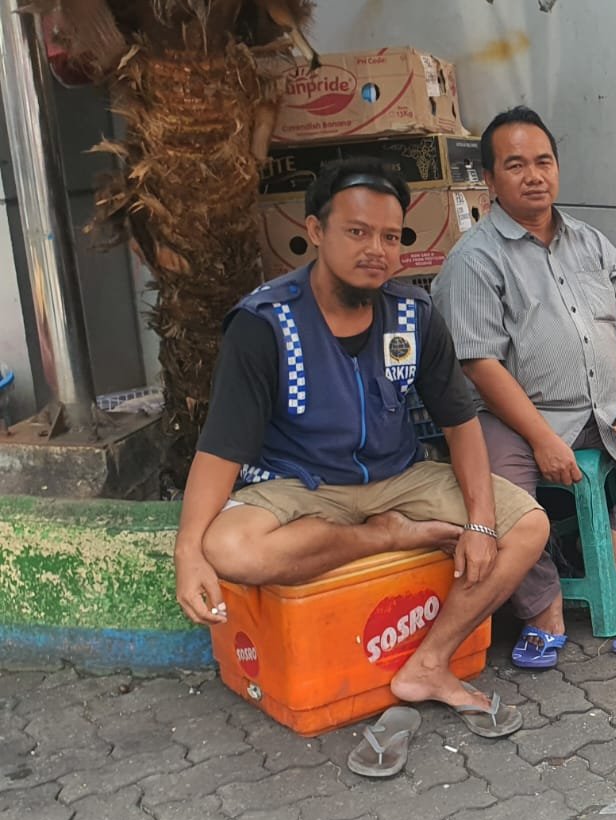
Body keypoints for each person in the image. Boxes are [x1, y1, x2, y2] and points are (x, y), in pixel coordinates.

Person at [173, 158, 549, 738]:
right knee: (230, 548)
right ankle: (386, 535)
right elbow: (221, 447)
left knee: (526, 526)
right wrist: (188, 551)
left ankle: (429, 663)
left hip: (400, 476)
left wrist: (479, 523)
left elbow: (460, 423)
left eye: (390, 237)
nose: (377, 249)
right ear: (315, 231)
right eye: (357, 231)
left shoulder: (414, 314)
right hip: (301, 482)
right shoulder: (264, 323)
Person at [432, 106, 616, 667]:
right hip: (517, 419)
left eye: (543, 161)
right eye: (515, 165)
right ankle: (541, 603)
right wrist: (542, 438)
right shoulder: (473, 261)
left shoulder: (590, 242)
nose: (534, 176)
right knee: (500, 500)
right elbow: (481, 367)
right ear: (490, 179)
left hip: (610, 407)